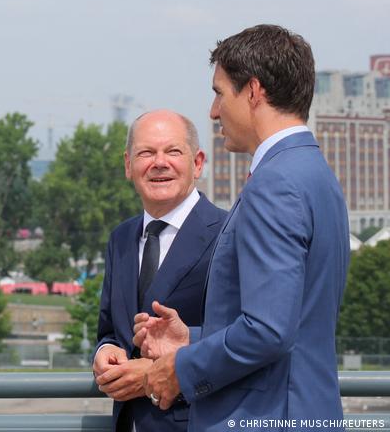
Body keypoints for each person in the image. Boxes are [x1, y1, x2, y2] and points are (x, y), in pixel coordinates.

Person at [133, 25, 350, 431]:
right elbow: (292, 323)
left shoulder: (275, 183)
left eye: (219, 93)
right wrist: (193, 338)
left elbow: (268, 331)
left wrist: (182, 367)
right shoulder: (314, 172)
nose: (213, 110)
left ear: (253, 91)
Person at [94, 109, 227, 432]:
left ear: (197, 163)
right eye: (146, 153)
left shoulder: (229, 234)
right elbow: (111, 328)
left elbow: (244, 337)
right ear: (128, 165)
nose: (159, 163)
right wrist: (106, 350)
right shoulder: (120, 238)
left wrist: (154, 372)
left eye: (173, 151)